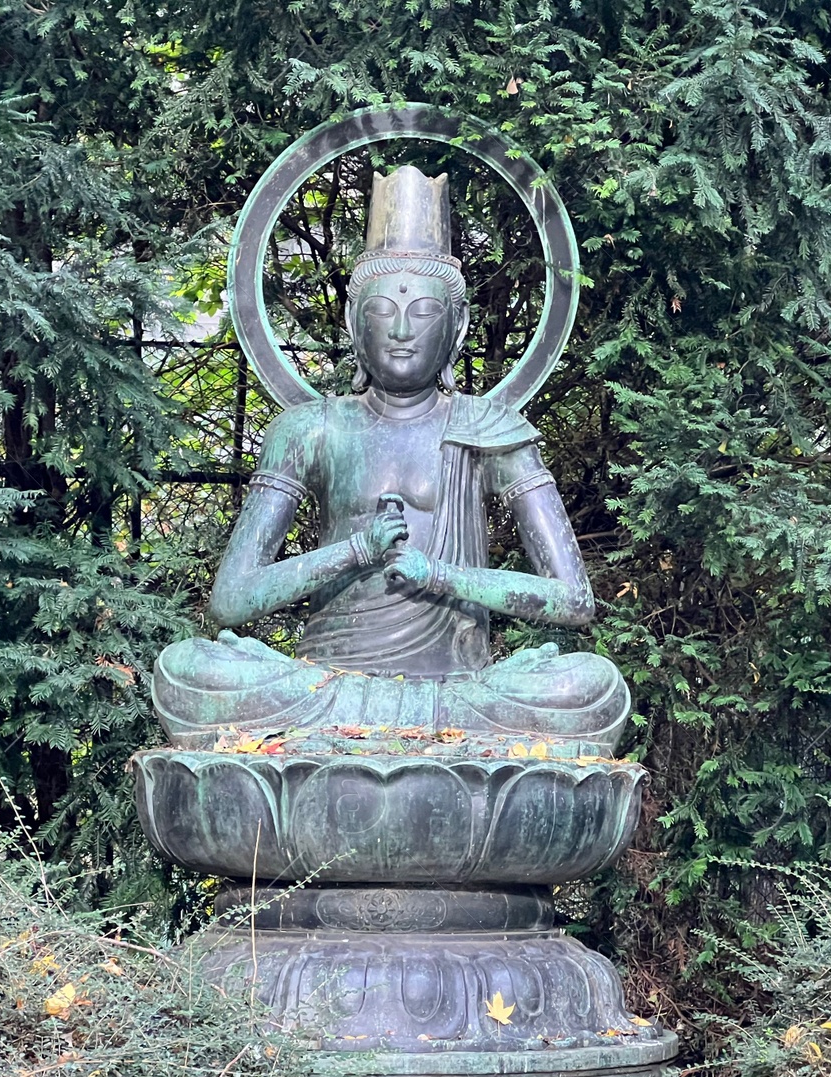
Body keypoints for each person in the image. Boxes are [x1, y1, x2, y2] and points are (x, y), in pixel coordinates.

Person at [152, 166, 629, 752]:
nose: (402, 330)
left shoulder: (489, 429)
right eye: (382, 311)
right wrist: (355, 552)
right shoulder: (311, 429)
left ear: (457, 330)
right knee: (189, 670)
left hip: (459, 691)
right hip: (322, 689)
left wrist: (443, 576)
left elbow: (574, 600)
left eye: (425, 312)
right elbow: (230, 601)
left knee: (590, 686)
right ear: (354, 325)